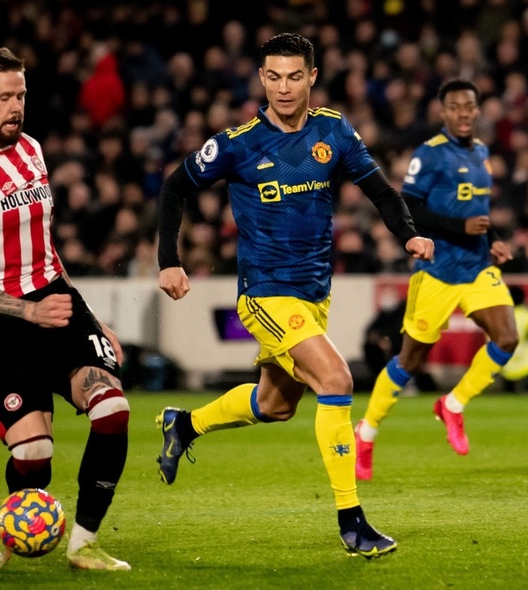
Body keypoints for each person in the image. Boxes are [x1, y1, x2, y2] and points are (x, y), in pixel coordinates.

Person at [155, 33, 434, 559]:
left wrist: (409, 234)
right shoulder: (237, 143)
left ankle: (184, 424)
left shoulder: (334, 130)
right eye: (273, 76)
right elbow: (174, 187)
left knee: (276, 404)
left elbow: (379, 191)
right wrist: (169, 260)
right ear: (262, 79)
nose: (283, 87)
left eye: (293, 76)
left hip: (312, 295)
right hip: (263, 293)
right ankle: (352, 522)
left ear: (312, 77)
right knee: (336, 379)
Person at [0, 47, 130, 572]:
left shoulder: (32, 150)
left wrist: (89, 315)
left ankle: (84, 542)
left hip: (54, 302)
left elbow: (45, 247)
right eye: (5, 97)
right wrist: (26, 312)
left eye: (21, 94)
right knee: (34, 453)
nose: (17, 106)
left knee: (112, 407)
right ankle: (4, 525)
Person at [354, 79, 519, 481]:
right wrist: (461, 228)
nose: (464, 113)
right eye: (455, 107)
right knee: (410, 361)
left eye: (470, 106)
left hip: (477, 267)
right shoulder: (429, 156)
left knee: (508, 338)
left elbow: (476, 212)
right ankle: (367, 431)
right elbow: (408, 206)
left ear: (478, 111)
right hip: (438, 272)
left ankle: (454, 405)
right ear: (443, 112)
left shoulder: (481, 153)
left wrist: (492, 240)